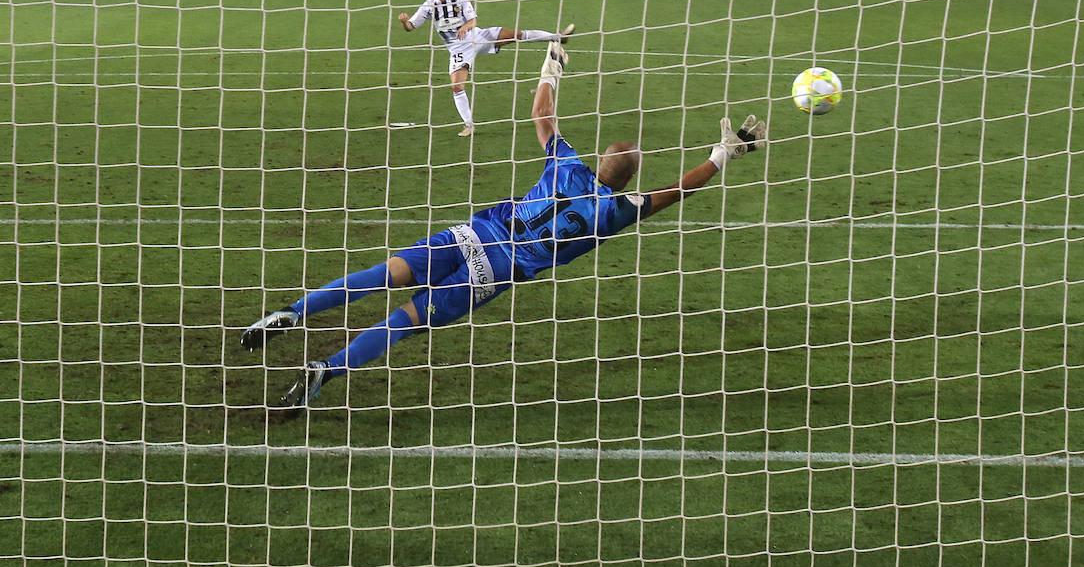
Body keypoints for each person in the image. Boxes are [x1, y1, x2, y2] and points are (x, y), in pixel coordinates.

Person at [240, 41, 768, 408]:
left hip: (473, 234)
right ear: (627, 180)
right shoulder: (612, 213)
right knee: (405, 320)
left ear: (601, 160)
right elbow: (673, 192)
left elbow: (542, 114)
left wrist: (552, 65)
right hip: (495, 269)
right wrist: (723, 154)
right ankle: (326, 372)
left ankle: (290, 312)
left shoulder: (565, 164)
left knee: (382, 274)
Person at [397, 0, 572, 137]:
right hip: (458, 49)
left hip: (478, 37)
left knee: (517, 35)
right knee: (457, 86)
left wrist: (466, 26)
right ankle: (469, 125)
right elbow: (411, 27)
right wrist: (405, 22)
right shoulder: (429, 6)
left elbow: (473, 20)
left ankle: (557, 37)